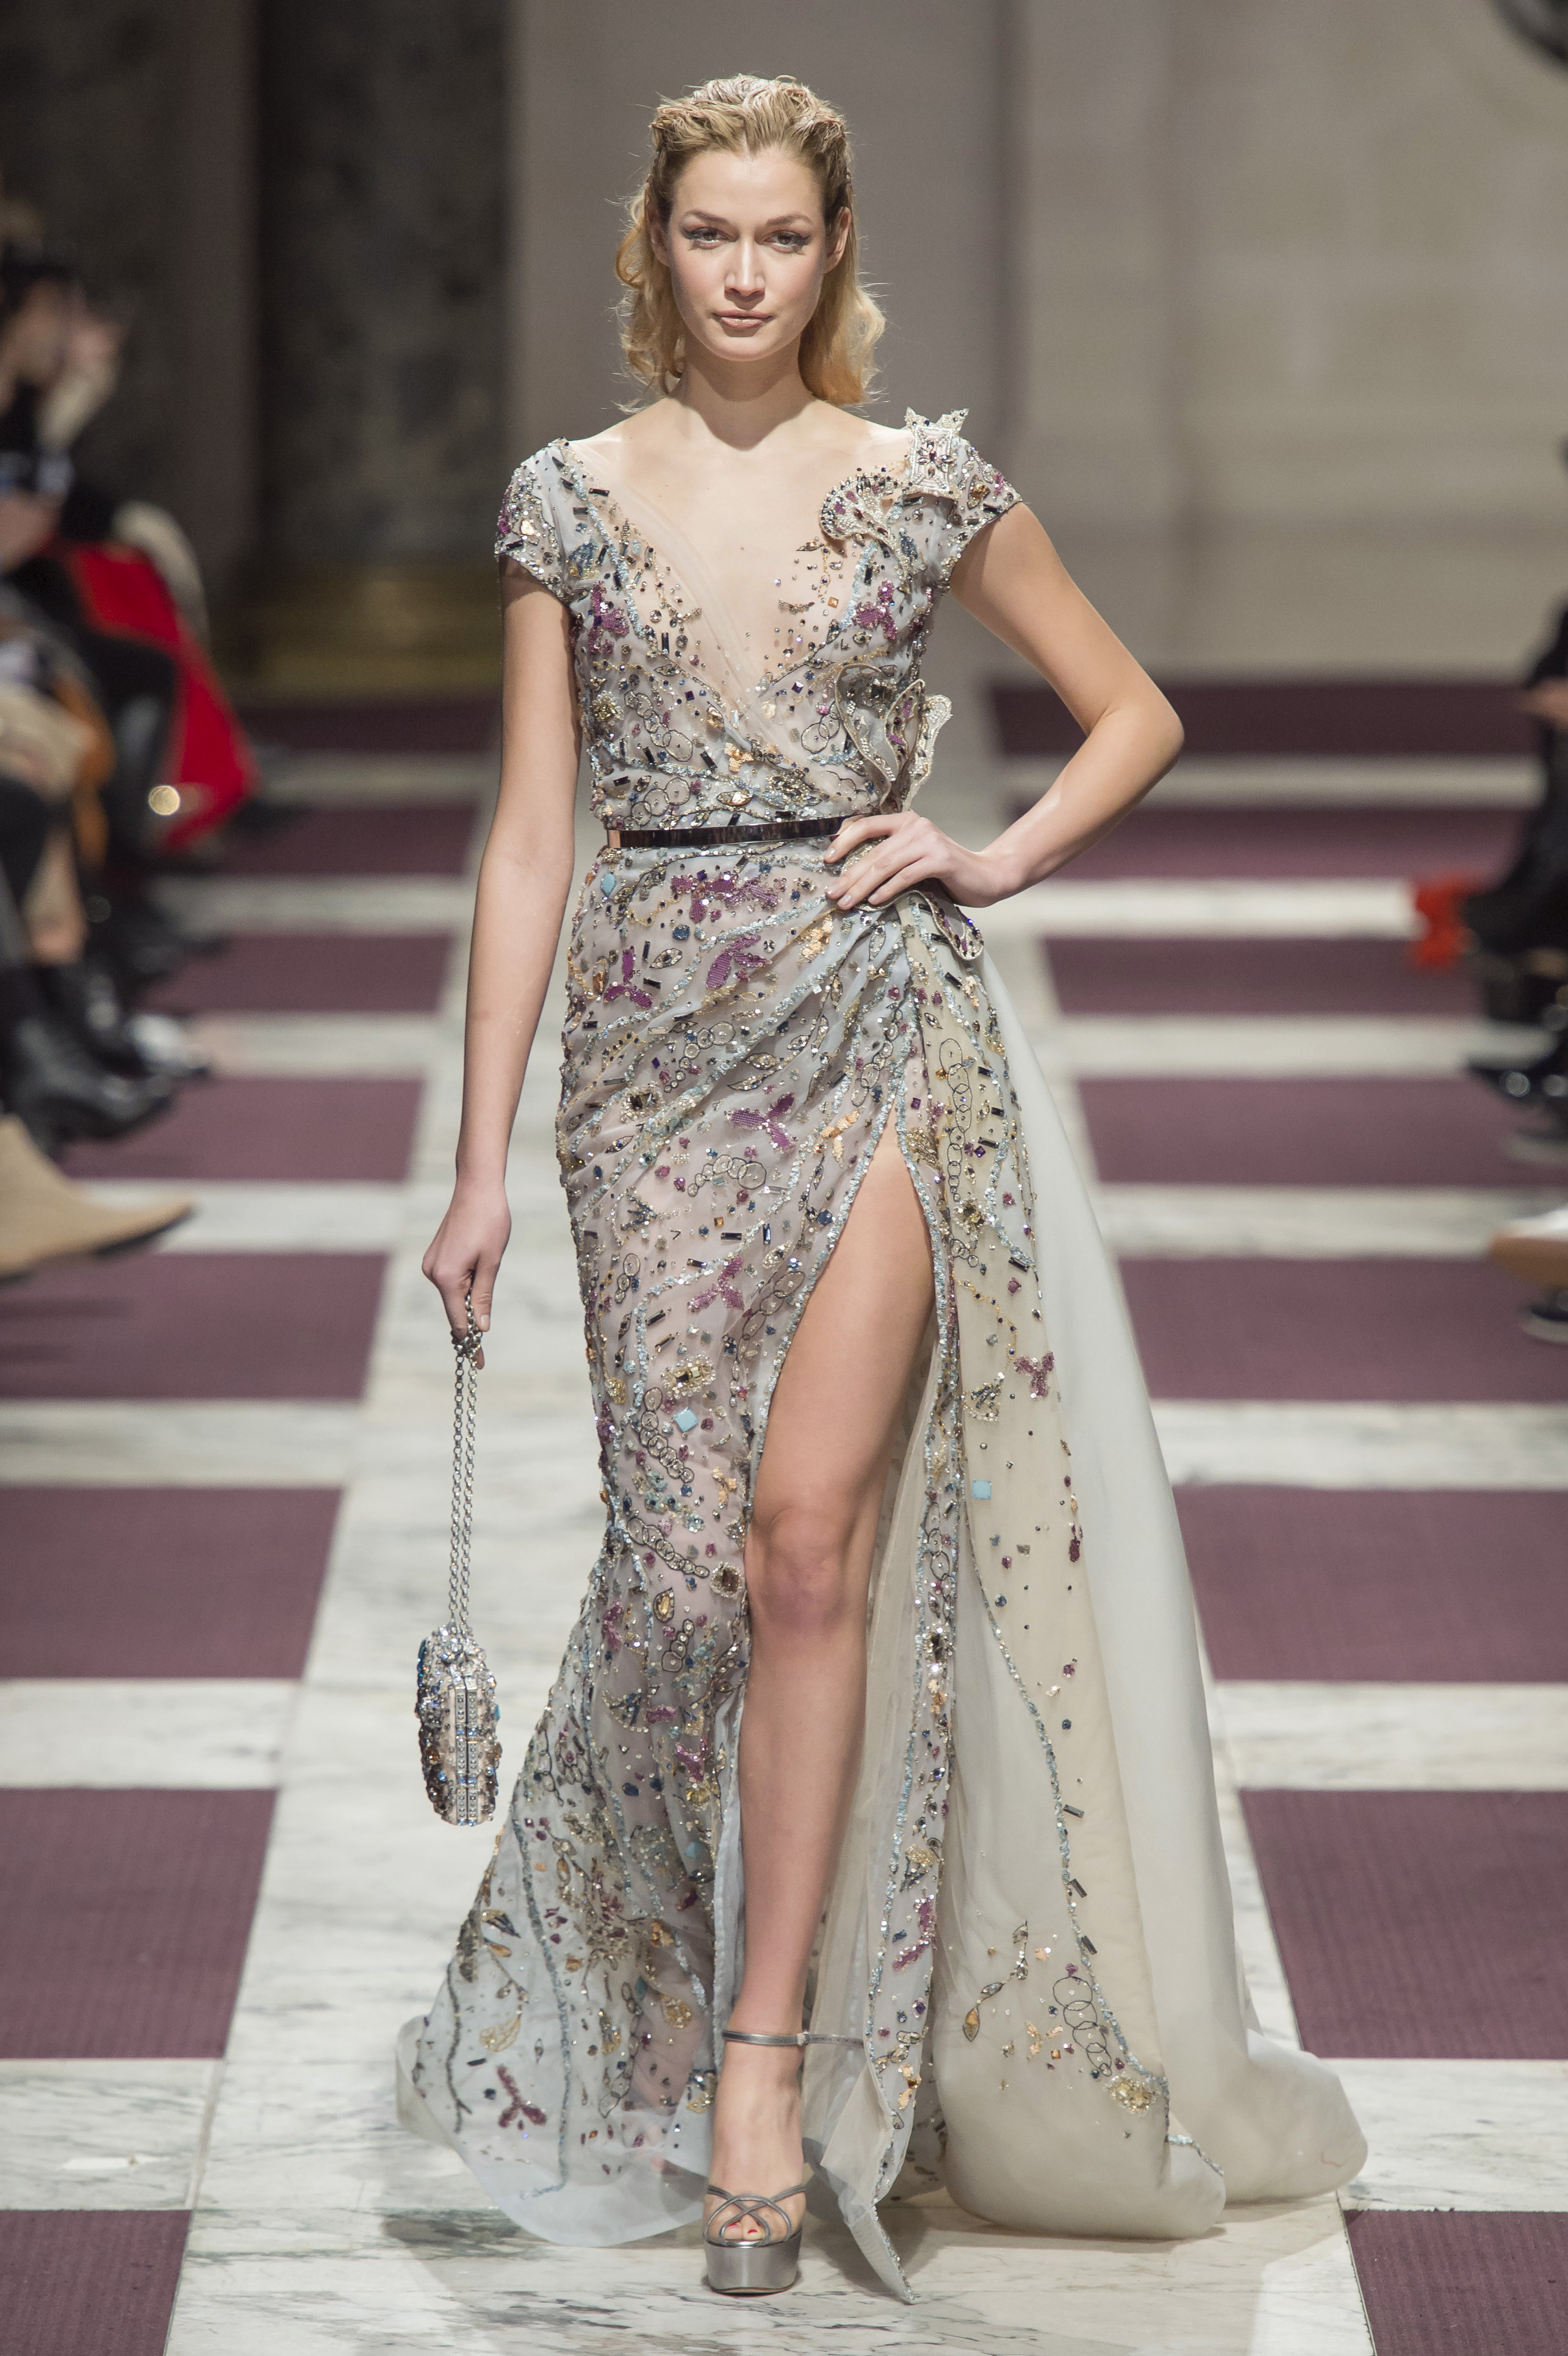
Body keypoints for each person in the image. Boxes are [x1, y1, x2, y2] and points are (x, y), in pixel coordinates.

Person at [402, 74, 1364, 2302]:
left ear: (832, 252)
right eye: (709, 233)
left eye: (782, 236)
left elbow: (1129, 708)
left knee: (808, 1544)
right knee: (678, 1582)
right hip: (647, 1049)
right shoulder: (566, 501)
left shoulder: (920, 483)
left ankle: (765, 2071)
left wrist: (992, 856)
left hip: (876, 1026)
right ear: (653, 247)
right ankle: (678, 2010)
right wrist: (474, 1163)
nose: (745, 273)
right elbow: (530, 838)